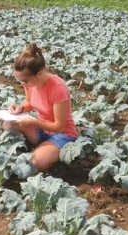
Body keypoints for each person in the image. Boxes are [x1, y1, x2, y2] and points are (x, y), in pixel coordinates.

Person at [7, 42, 78, 171]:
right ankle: (41, 147)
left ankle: (48, 152)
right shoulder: (30, 84)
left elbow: (59, 126)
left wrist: (34, 121)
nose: (23, 84)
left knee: (34, 163)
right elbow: (29, 103)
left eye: (25, 81)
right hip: (42, 130)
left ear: (39, 73)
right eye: (20, 80)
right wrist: (20, 108)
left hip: (62, 134)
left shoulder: (58, 89)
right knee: (8, 124)